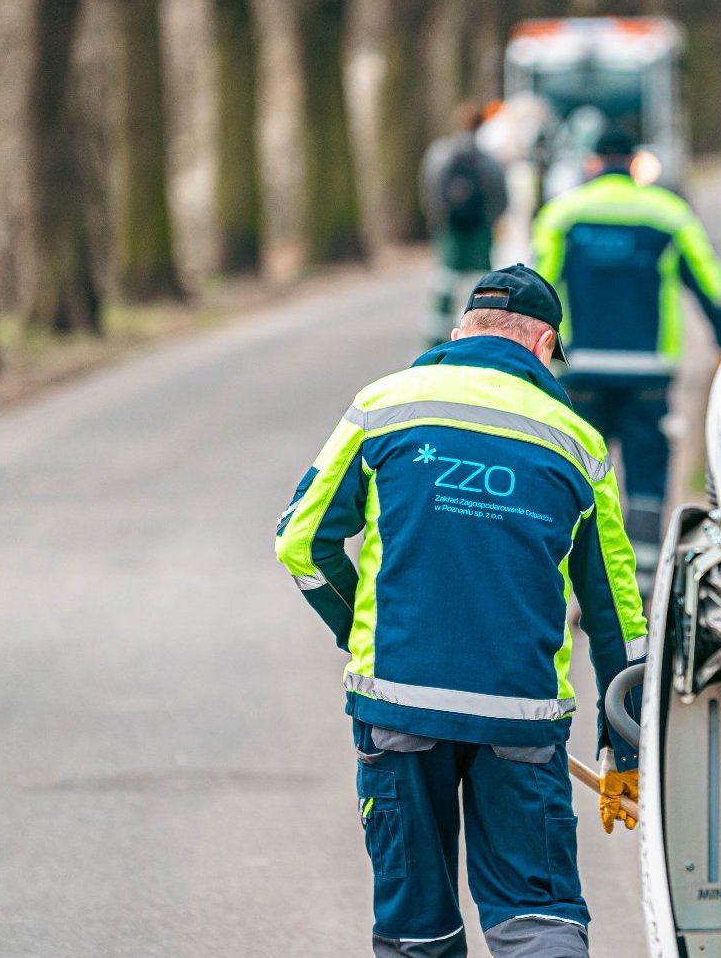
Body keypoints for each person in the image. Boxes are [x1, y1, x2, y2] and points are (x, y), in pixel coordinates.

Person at [274, 265, 647, 958]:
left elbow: (300, 544)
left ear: (458, 335)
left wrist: (363, 629)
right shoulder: (578, 443)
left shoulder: (382, 406)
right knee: (539, 921)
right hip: (522, 718)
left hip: (399, 706)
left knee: (418, 932)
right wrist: (623, 743)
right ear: (543, 346)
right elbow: (617, 612)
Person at [531, 128, 721, 573]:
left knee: (576, 473)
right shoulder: (668, 214)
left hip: (580, 370)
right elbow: (707, 285)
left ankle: (580, 577)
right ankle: (639, 581)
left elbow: (537, 287)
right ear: (634, 161)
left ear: (594, 161)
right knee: (646, 478)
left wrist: (530, 359)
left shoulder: (562, 215)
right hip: (648, 374)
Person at [421, 103, 510, 347]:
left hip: (450, 231)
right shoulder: (490, 159)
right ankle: (483, 337)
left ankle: (434, 343)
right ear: (482, 124)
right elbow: (502, 199)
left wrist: (439, 224)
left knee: (444, 285)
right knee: (483, 286)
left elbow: (430, 193)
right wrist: (489, 223)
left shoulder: (439, 155)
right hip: (480, 232)